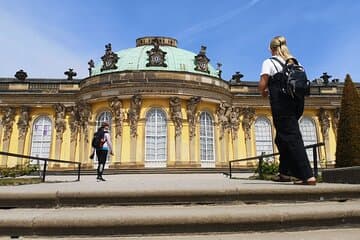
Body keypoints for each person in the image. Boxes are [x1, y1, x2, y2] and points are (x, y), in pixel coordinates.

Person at [258, 36, 316, 185]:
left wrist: (263, 91)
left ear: (272, 49)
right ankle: (284, 173)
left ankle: (307, 175)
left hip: (281, 103)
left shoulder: (269, 62)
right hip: (297, 103)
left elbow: (262, 84)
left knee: (291, 136)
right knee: (281, 137)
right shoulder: (295, 63)